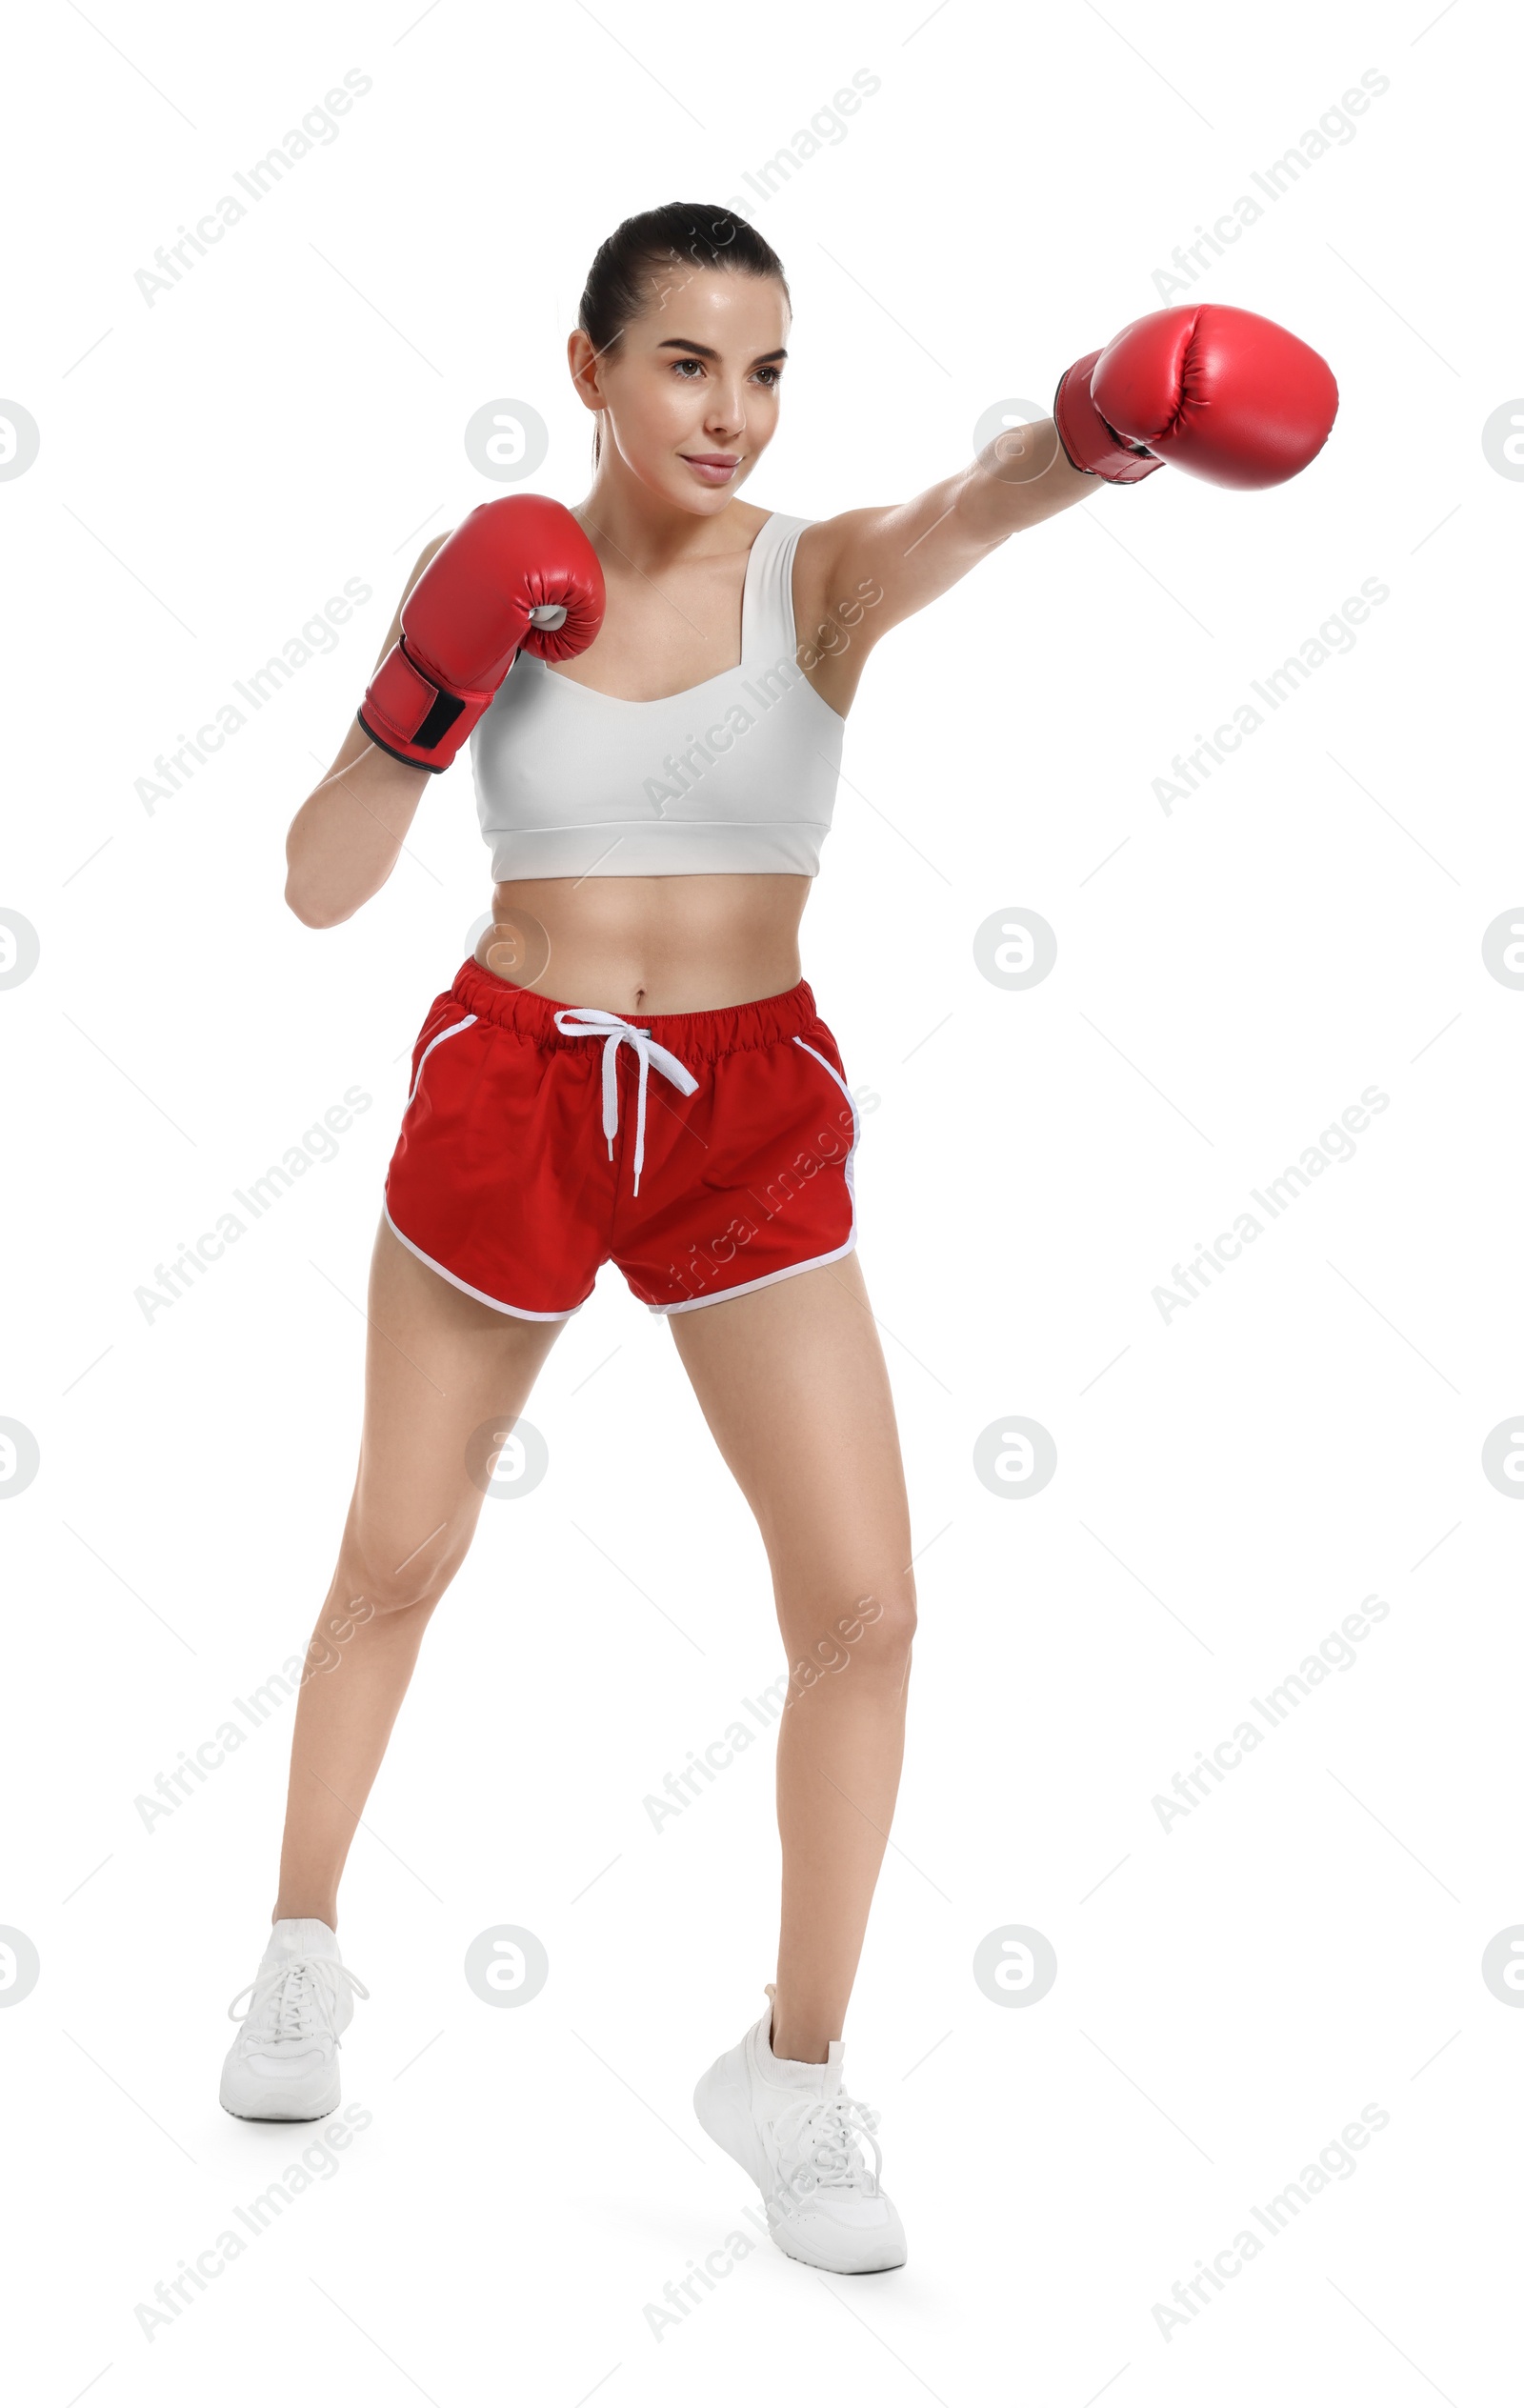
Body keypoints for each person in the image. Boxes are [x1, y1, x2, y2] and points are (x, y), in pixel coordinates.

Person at [219, 202, 1337, 2275]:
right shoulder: (495, 588)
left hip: (745, 1115)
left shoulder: (811, 582)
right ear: (587, 369)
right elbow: (311, 884)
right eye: (683, 365)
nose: (728, 411)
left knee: (866, 1607)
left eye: (763, 369)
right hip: (516, 1082)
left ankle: (792, 2073)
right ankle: (298, 1949)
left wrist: (1103, 419)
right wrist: (425, 679)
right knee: (397, 1553)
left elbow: (973, 501)